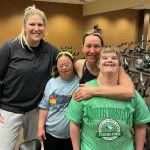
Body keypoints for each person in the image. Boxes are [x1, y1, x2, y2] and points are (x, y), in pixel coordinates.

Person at [65, 46, 150, 150]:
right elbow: (74, 123)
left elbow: (140, 125)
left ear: (119, 64)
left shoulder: (132, 94)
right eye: (104, 58)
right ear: (98, 64)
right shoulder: (84, 91)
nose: (109, 60)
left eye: (114, 58)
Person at [0, 5, 59, 150]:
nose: (36, 28)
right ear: (25, 26)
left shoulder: (49, 50)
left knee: (33, 148)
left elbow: (67, 62)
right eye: (32, 24)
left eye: (40, 25)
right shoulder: (9, 47)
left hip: (35, 110)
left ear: (45, 28)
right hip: (9, 109)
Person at [74, 26, 135, 101]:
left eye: (96, 46)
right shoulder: (78, 65)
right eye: (88, 46)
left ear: (102, 48)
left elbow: (129, 92)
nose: (92, 51)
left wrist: (92, 91)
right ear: (83, 48)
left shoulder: (113, 67)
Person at [38, 52, 79, 150]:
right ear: (57, 67)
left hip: (73, 136)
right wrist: (40, 128)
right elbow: (44, 107)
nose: (64, 68)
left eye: (67, 65)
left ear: (73, 64)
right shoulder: (51, 83)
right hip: (51, 133)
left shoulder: (79, 81)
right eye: (60, 66)